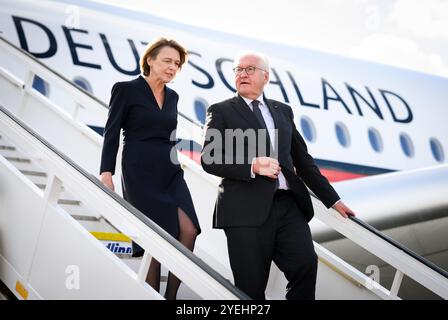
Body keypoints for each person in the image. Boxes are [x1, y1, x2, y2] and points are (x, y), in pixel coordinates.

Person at [201, 51, 355, 300]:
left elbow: (302, 160)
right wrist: (253, 165)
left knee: (305, 265)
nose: (242, 74)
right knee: (250, 288)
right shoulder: (220, 111)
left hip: (287, 206)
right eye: (238, 70)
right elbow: (209, 157)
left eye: (250, 69)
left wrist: (333, 200)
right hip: (244, 211)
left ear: (266, 77)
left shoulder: (282, 111)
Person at [100, 37, 200, 300]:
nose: (172, 67)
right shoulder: (125, 89)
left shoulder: (173, 96)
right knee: (153, 238)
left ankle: (171, 297)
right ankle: (153, 296)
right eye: (167, 61)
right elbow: (112, 133)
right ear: (150, 60)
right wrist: (106, 173)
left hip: (169, 167)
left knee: (189, 230)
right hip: (138, 169)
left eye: (177, 64)